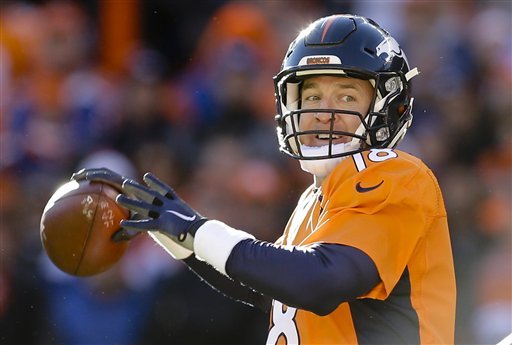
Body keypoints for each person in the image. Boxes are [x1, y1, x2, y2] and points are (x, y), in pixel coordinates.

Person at [72, 14, 456, 344]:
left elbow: (320, 283)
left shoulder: (396, 175)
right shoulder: (314, 199)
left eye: (346, 96)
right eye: (311, 97)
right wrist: (184, 238)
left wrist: (200, 231)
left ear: (389, 106)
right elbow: (276, 290)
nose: (324, 113)